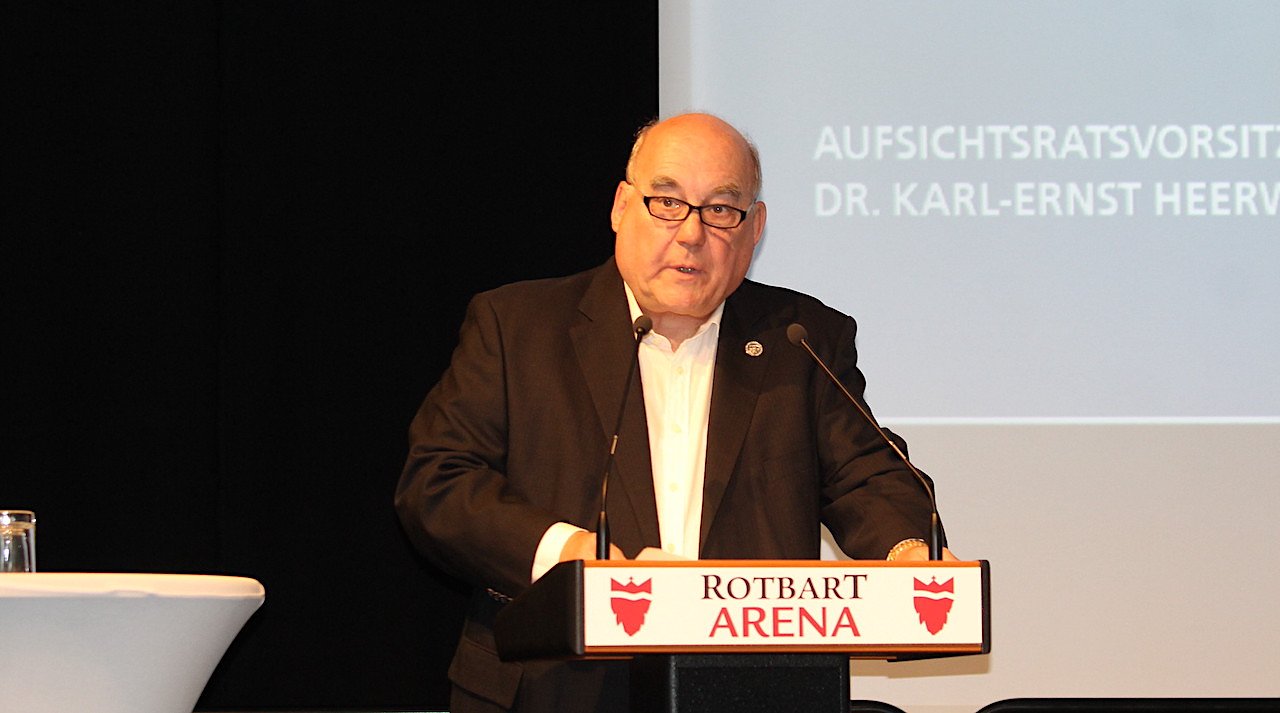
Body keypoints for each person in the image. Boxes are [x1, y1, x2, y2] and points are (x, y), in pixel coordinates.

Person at [395, 113, 957, 713]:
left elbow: (868, 476)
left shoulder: (802, 339)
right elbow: (439, 484)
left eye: (720, 210)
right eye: (667, 202)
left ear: (754, 229)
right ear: (621, 207)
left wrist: (907, 552)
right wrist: (571, 557)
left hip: (750, 691)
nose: (691, 233)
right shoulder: (518, 326)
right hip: (553, 690)